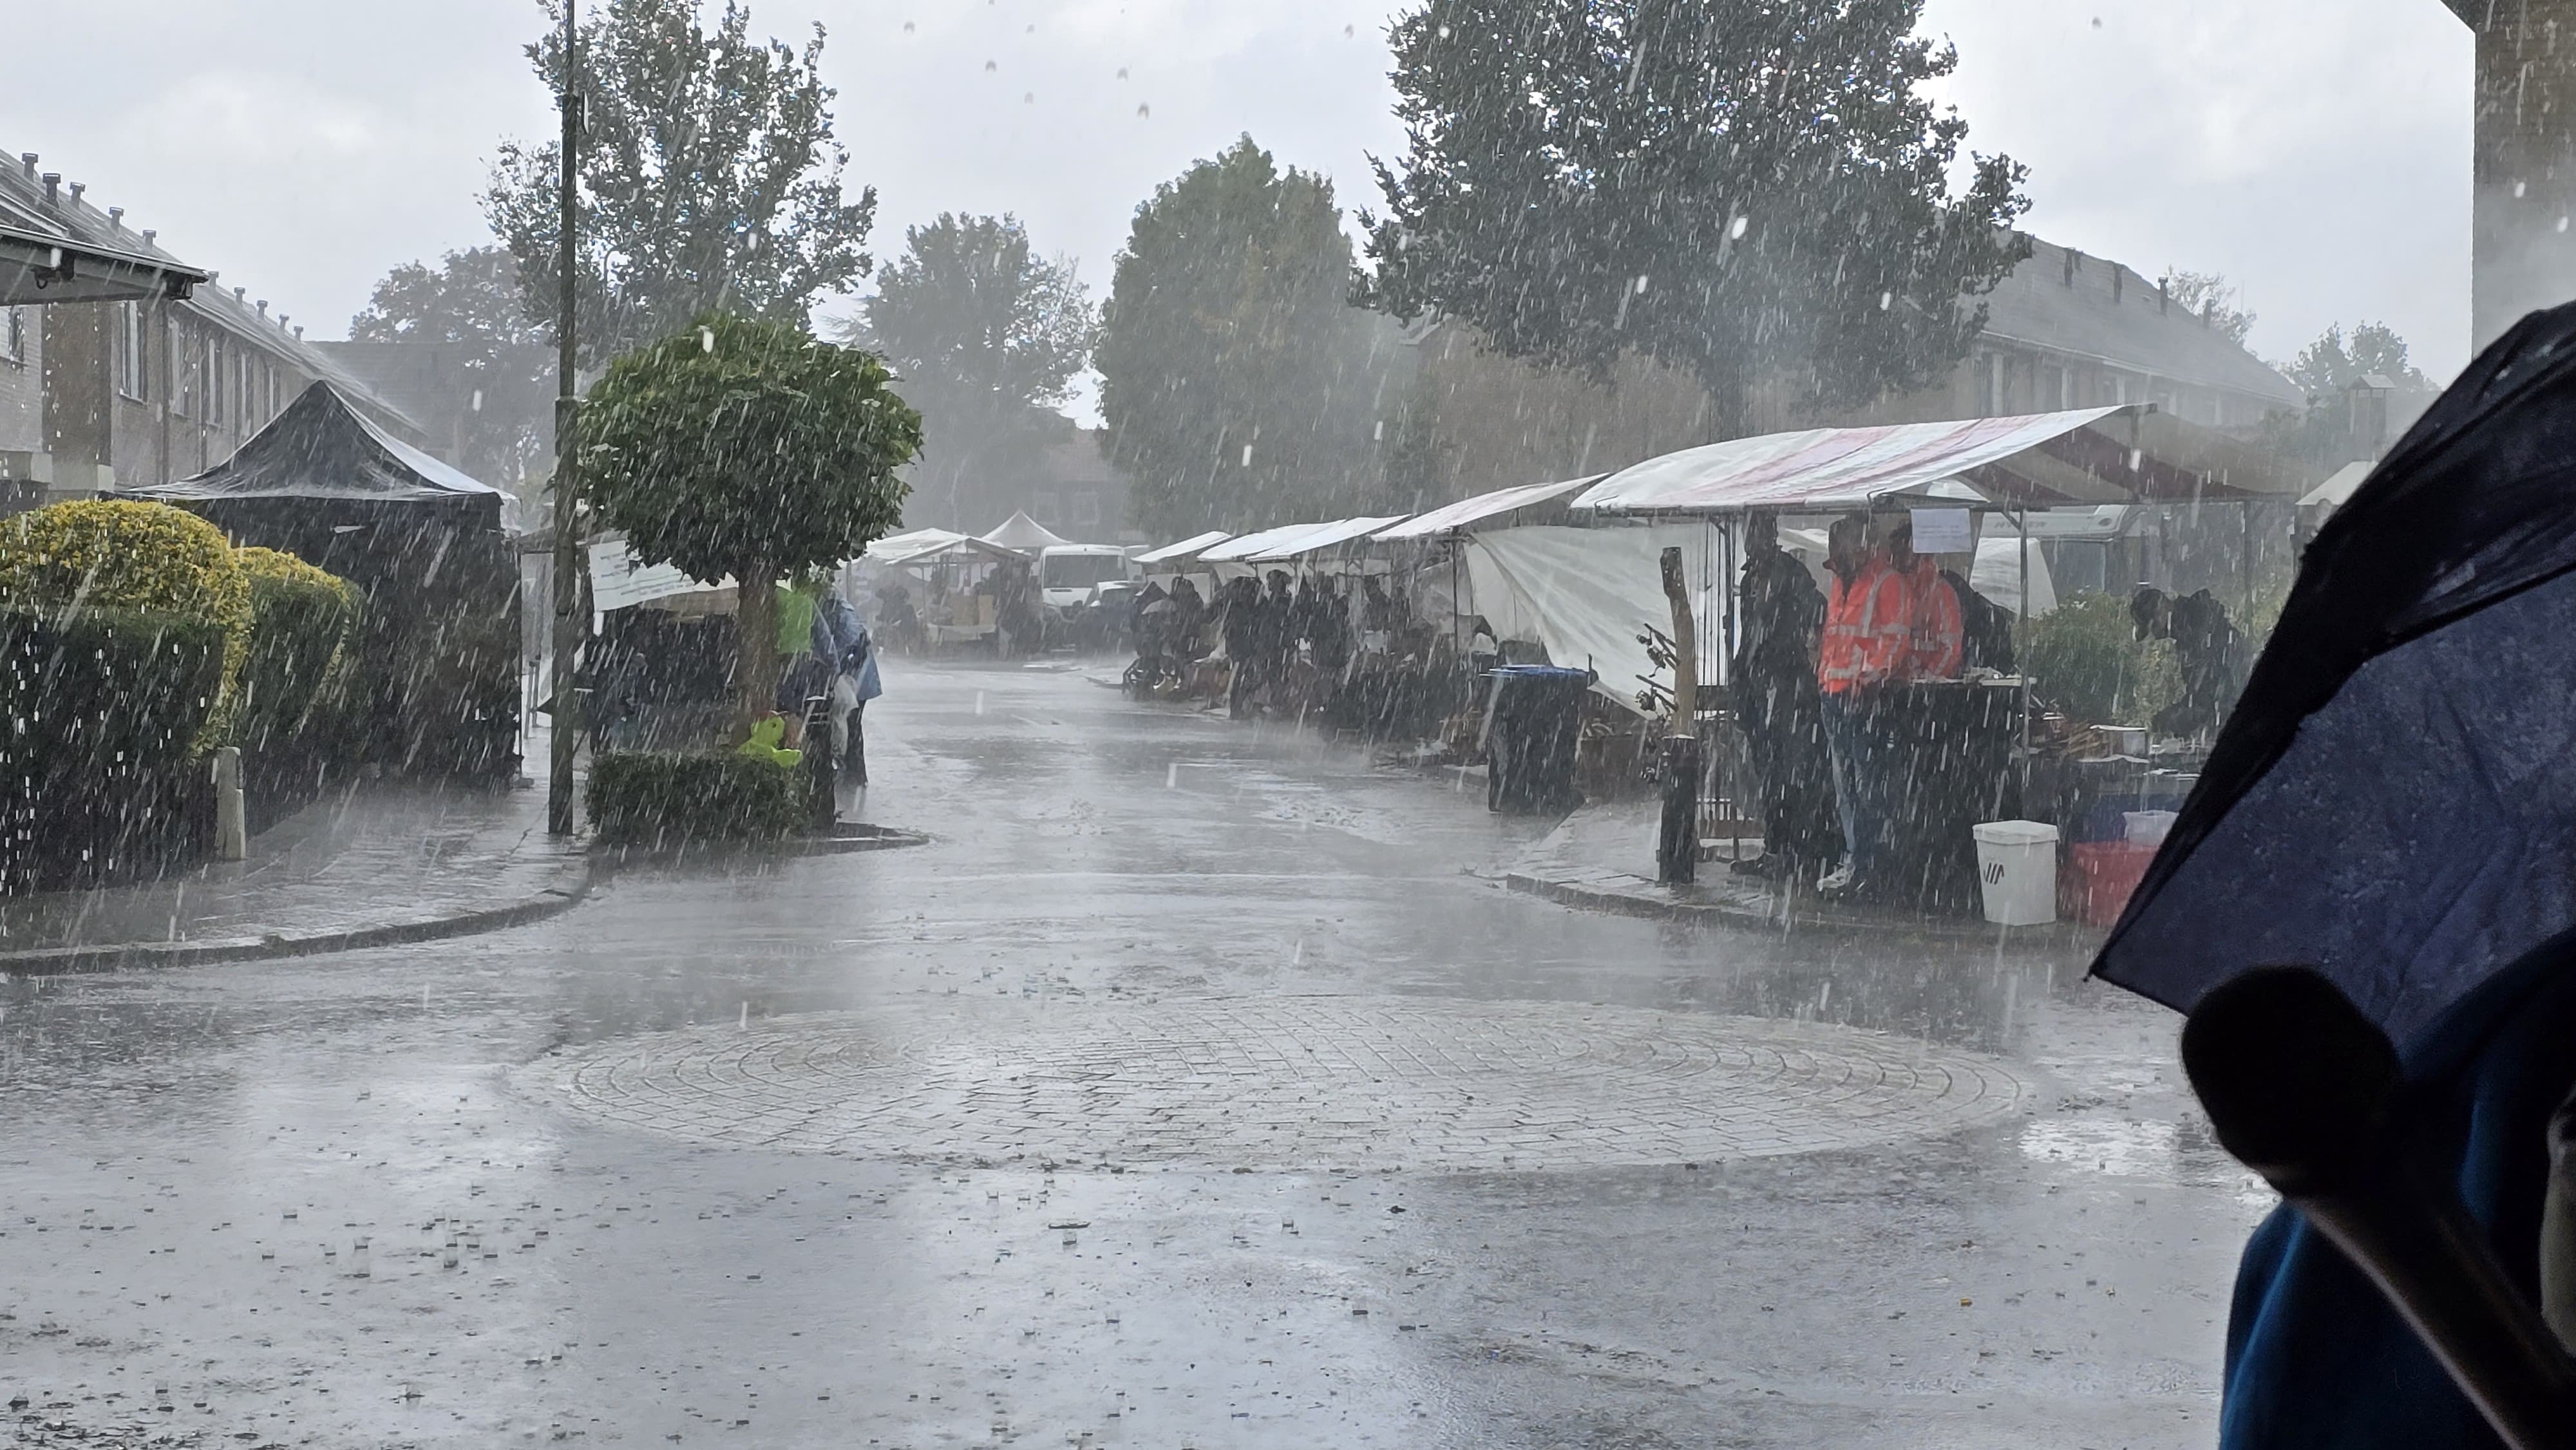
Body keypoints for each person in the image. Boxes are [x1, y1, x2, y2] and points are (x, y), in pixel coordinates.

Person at [1729, 513, 1838, 880]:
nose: (1752, 541)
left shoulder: (1791, 574)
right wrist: (1741, 678)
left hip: (1788, 688)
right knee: (1768, 773)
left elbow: (1818, 611)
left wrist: (1801, 652)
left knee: (1791, 773)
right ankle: (1774, 848)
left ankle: (1795, 851)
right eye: (1749, 534)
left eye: (1760, 533)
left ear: (1771, 536)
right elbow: (1750, 636)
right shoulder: (1749, 580)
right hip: (1759, 689)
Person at [1815, 515, 1910, 895]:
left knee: (1865, 785)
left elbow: (1894, 640)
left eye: (1841, 544)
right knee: (1848, 786)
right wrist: (1824, 674)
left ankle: (1866, 865)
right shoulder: (1842, 580)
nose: (1836, 552)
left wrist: (1869, 677)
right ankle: (1858, 861)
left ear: (1859, 545)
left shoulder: (1887, 583)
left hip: (1864, 699)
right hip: (1836, 695)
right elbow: (1835, 635)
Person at [2132, 585, 2249, 739]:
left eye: (2154, 626)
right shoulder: (2193, 630)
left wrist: (2168, 721)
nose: (2156, 635)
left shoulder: (2200, 633)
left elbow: (2206, 701)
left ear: (2163, 608)